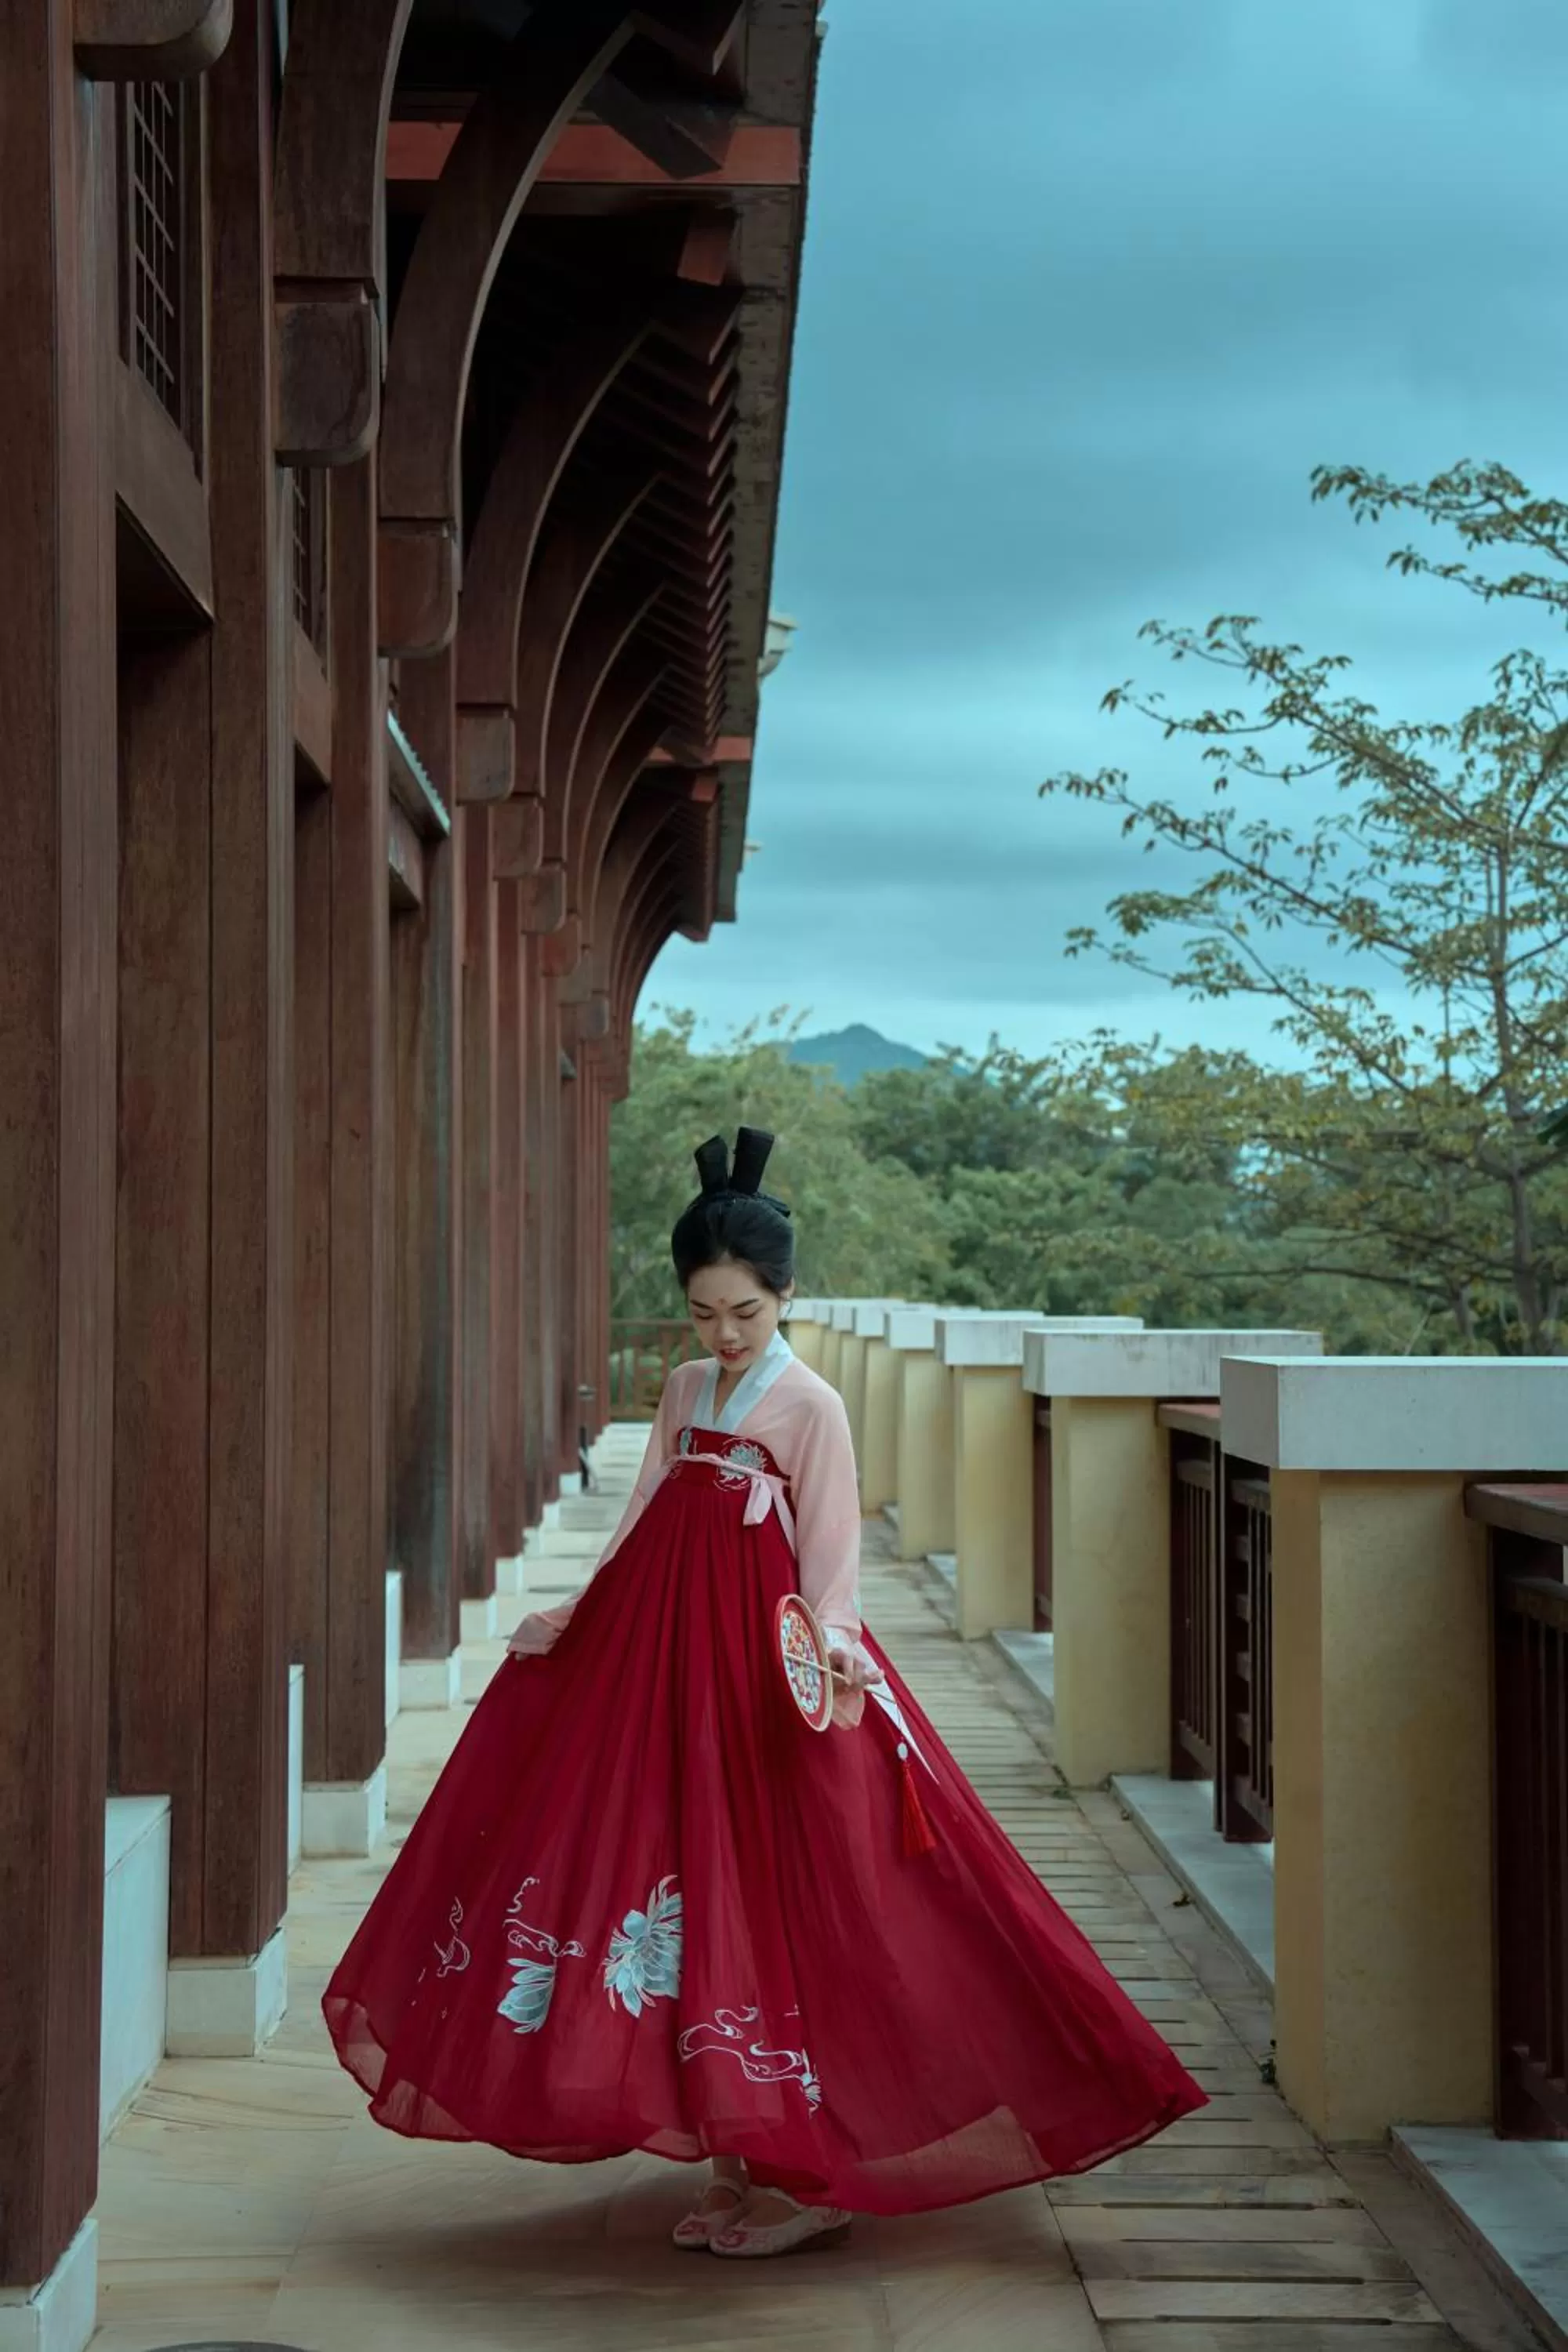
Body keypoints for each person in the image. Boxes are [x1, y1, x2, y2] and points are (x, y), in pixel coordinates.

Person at [323, 1128, 1205, 2258]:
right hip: (655, 1665)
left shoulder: (812, 1407)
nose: (725, 1334)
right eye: (705, 1312)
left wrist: (831, 1653)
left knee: (783, 1891)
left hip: (758, 1677)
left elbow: (830, 1558)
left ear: (785, 1293)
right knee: (669, 1877)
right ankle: (737, 2158)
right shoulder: (689, 1387)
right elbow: (643, 1517)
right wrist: (576, 1622)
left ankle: (810, 2174)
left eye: (745, 1310)